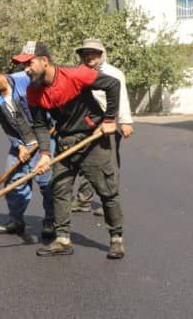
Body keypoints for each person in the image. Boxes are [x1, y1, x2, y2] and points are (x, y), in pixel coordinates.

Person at [13, 40, 126, 260]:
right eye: (23, 65)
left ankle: (116, 238)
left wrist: (110, 119)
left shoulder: (76, 75)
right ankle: (63, 239)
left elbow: (113, 85)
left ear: (44, 61)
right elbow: (39, 125)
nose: (25, 69)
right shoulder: (33, 90)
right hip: (65, 141)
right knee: (60, 189)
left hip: (91, 139)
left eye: (29, 64)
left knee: (106, 189)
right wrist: (45, 153)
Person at [0, 63, 56, 240]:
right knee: (13, 182)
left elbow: (49, 97)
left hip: (44, 138)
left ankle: (51, 221)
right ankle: (16, 221)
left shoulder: (25, 80)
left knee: (46, 182)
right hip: (21, 142)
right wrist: (19, 146)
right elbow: (5, 125)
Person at [71, 38, 133, 214]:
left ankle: (110, 203)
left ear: (101, 54)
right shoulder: (79, 73)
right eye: (85, 53)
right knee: (86, 163)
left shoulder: (114, 73)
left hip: (108, 124)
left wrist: (125, 121)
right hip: (86, 125)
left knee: (109, 165)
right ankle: (83, 200)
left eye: (93, 53)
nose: (89, 56)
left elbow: (122, 98)